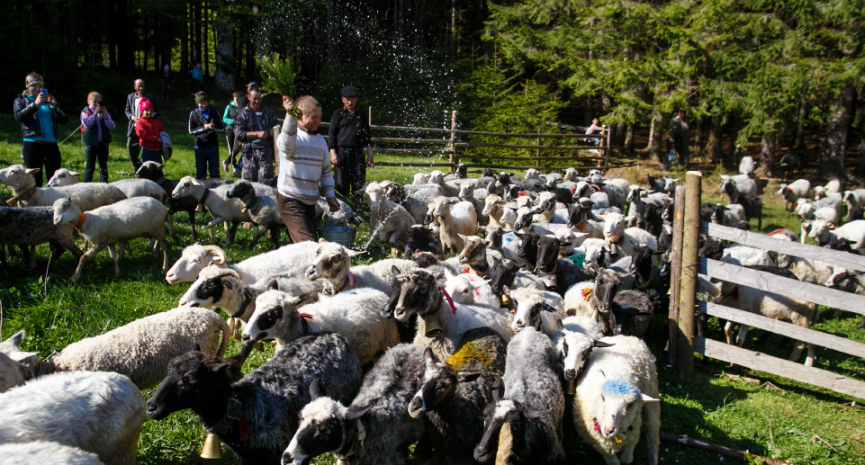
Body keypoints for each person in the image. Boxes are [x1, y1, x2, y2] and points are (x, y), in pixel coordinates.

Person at [276, 95, 340, 242]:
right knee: (309, 245)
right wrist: (290, 115)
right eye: (313, 117)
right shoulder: (292, 138)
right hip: (291, 199)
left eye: (320, 117)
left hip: (310, 201)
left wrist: (330, 195)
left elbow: (325, 172)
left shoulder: (320, 142)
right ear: (300, 115)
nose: (318, 121)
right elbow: (286, 143)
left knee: (302, 245)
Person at [13, 72, 68, 187]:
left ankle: (52, 201)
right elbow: (20, 117)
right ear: (27, 86)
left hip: (50, 143)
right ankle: (35, 204)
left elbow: (64, 120)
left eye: (40, 86)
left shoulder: (48, 101)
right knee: (34, 179)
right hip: (32, 144)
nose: (38, 88)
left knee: (54, 177)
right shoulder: (21, 100)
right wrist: (35, 104)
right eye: (34, 85)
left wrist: (54, 106)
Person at [328, 85, 373, 207]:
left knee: (358, 181)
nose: (350, 102)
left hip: (358, 152)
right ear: (343, 99)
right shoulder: (338, 114)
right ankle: (342, 207)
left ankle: (358, 207)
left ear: (356, 99)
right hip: (341, 152)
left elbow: (367, 135)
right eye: (347, 99)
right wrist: (333, 153)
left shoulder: (361, 115)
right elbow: (332, 134)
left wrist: (370, 153)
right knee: (341, 182)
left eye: (352, 99)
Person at [234, 88, 279, 186]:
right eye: (254, 98)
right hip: (249, 154)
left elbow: (276, 129)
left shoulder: (269, 113)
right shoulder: (243, 113)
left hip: (265, 153)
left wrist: (269, 132)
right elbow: (238, 133)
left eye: (259, 98)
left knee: (266, 185)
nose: (257, 101)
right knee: (249, 185)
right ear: (248, 98)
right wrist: (257, 134)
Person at [80, 91, 115, 183]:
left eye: (99, 102)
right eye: (94, 102)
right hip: (91, 142)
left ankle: (104, 185)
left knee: (103, 166)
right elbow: (88, 124)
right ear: (89, 101)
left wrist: (105, 117)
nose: (97, 104)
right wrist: (94, 114)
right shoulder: (85, 112)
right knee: (90, 166)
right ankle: (87, 185)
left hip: (102, 142)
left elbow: (112, 126)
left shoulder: (104, 113)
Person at [188, 91, 224, 179]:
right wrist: (204, 127)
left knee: (214, 171)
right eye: (201, 103)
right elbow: (190, 130)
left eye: (205, 102)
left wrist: (213, 127)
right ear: (197, 104)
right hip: (200, 146)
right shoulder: (194, 114)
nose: (203, 105)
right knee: (200, 171)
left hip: (213, 145)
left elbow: (222, 128)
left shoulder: (214, 112)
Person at [124, 79, 158, 172]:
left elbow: (156, 111)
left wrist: (148, 117)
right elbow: (127, 110)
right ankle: (137, 166)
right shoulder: (130, 97)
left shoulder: (150, 97)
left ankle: (146, 168)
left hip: (146, 127)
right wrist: (132, 117)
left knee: (145, 148)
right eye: (138, 86)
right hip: (134, 126)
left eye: (142, 86)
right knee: (130, 146)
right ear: (134, 87)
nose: (140, 88)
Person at [135, 99, 166, 165]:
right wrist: (156, 139)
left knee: (158, 168)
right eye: (146, 110)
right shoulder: (139, 123)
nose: (148, 112)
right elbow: (144, 136)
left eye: (150, 110)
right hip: (146, 150)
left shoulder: (156, 122)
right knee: (146, 169)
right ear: (142, 111)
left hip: (157, 150)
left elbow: (163, 132)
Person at [222, 90, 244, 177]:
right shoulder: (229, 107)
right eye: (235, 98)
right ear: (233, 98)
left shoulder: (242, 107)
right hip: (230, 130)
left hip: (239, 130)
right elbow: (224, 118)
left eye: (238, 97)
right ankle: (234, 167)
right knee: (232, 149)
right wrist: (232, 122)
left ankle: (227, 162)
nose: (237, 99)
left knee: (239, 148)